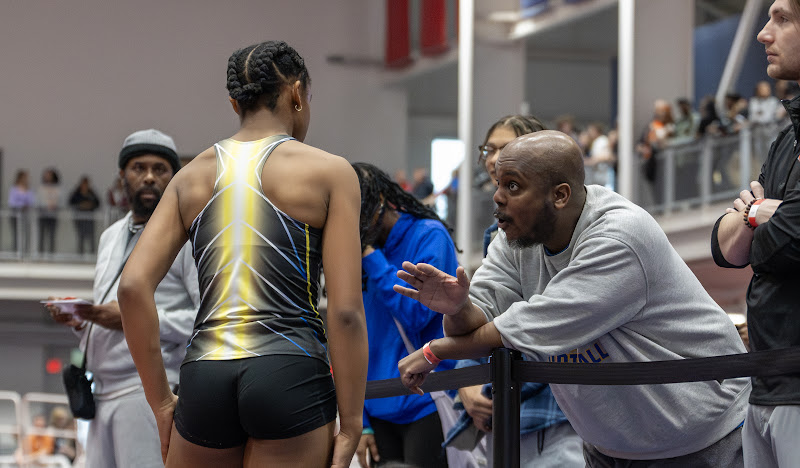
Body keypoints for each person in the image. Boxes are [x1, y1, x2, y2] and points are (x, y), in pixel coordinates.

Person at [394, 130, 750, 466]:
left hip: (704, 437)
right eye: (498, 184)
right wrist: (458, 308)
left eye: (513, 186)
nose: (498, 197)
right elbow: (478, 322)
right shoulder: (515, 238)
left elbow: (527, 327)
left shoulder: (620, 236)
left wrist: (434, 351)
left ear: (560, 195)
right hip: (609, 447)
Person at [117, 40, 367, 468]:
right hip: (290, 369)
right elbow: (345, 312)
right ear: (296, 93)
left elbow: (132, 287)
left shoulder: (189, 176)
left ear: (235, 103)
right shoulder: (331, 172)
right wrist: (352, 422)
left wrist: (161, 404)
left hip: (204, 377)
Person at [47, 128, 200, 468]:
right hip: (99, 393)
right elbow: (114, 313)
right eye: (138, 168)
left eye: (159, 169)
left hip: (147, 390)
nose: (148, 177)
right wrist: (81, 320)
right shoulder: (110, 237)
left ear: (173, 176)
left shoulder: (186, 236)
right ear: (122, 177)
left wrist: (133, 319)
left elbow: (204, 319)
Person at [452, 115, 583, 468]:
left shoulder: (577, 231)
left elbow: (551, 323)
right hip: (503, 410)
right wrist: (466, 382)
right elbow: (484, 310)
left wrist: (435, 353)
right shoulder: (497, 235)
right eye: (489, 150)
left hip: (555, 409)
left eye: (505, 149)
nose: (494, 159)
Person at [711, 1, 800, 466]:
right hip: (763, 385)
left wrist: (764, 218)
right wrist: (761, 214)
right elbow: (726, 249)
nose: (764, 34)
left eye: (783, 19)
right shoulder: (787, 137)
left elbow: (789, 238)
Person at [352, 162, 458, 468]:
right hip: (376, 406)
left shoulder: (429, 235)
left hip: (425, 404)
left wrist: (372, 259)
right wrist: (360, 420)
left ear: (380, 202)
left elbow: (416, 314)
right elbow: (351, 336)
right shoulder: (355, 250)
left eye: (360, 210)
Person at [69, 175, 101, 255]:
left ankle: (92, 253)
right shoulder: (76, 193)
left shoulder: (91, 193)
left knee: (91, 237)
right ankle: (80, 254)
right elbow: (71, 202)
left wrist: (90, 205)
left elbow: (98, 203)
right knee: (81, 237)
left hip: (90, 219)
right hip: (80, 219)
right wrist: (80, 205)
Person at [8, 169, 35, 253]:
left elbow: (32, 201)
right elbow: (11, 201)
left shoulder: (29, 190)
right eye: (24, 177)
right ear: (19, 178)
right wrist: (21, 205)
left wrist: (26, 205)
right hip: (15, 213)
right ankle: (15, 251)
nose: (26, 179)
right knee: (16, 234)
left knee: (26, 233)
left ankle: (25, 251)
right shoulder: (14, 189)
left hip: (25, 213)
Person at [37, 167, 62, 255]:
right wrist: (45, 205)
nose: (48, 177)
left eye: (49, 175)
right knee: (41, 235)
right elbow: (39, 199)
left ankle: (51, 254)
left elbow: (59, 199)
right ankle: (40, 253)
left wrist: (53, 205)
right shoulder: (41, 188)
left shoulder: (57, 188)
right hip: (43, 213)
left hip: (53, 214)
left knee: (51, 235)